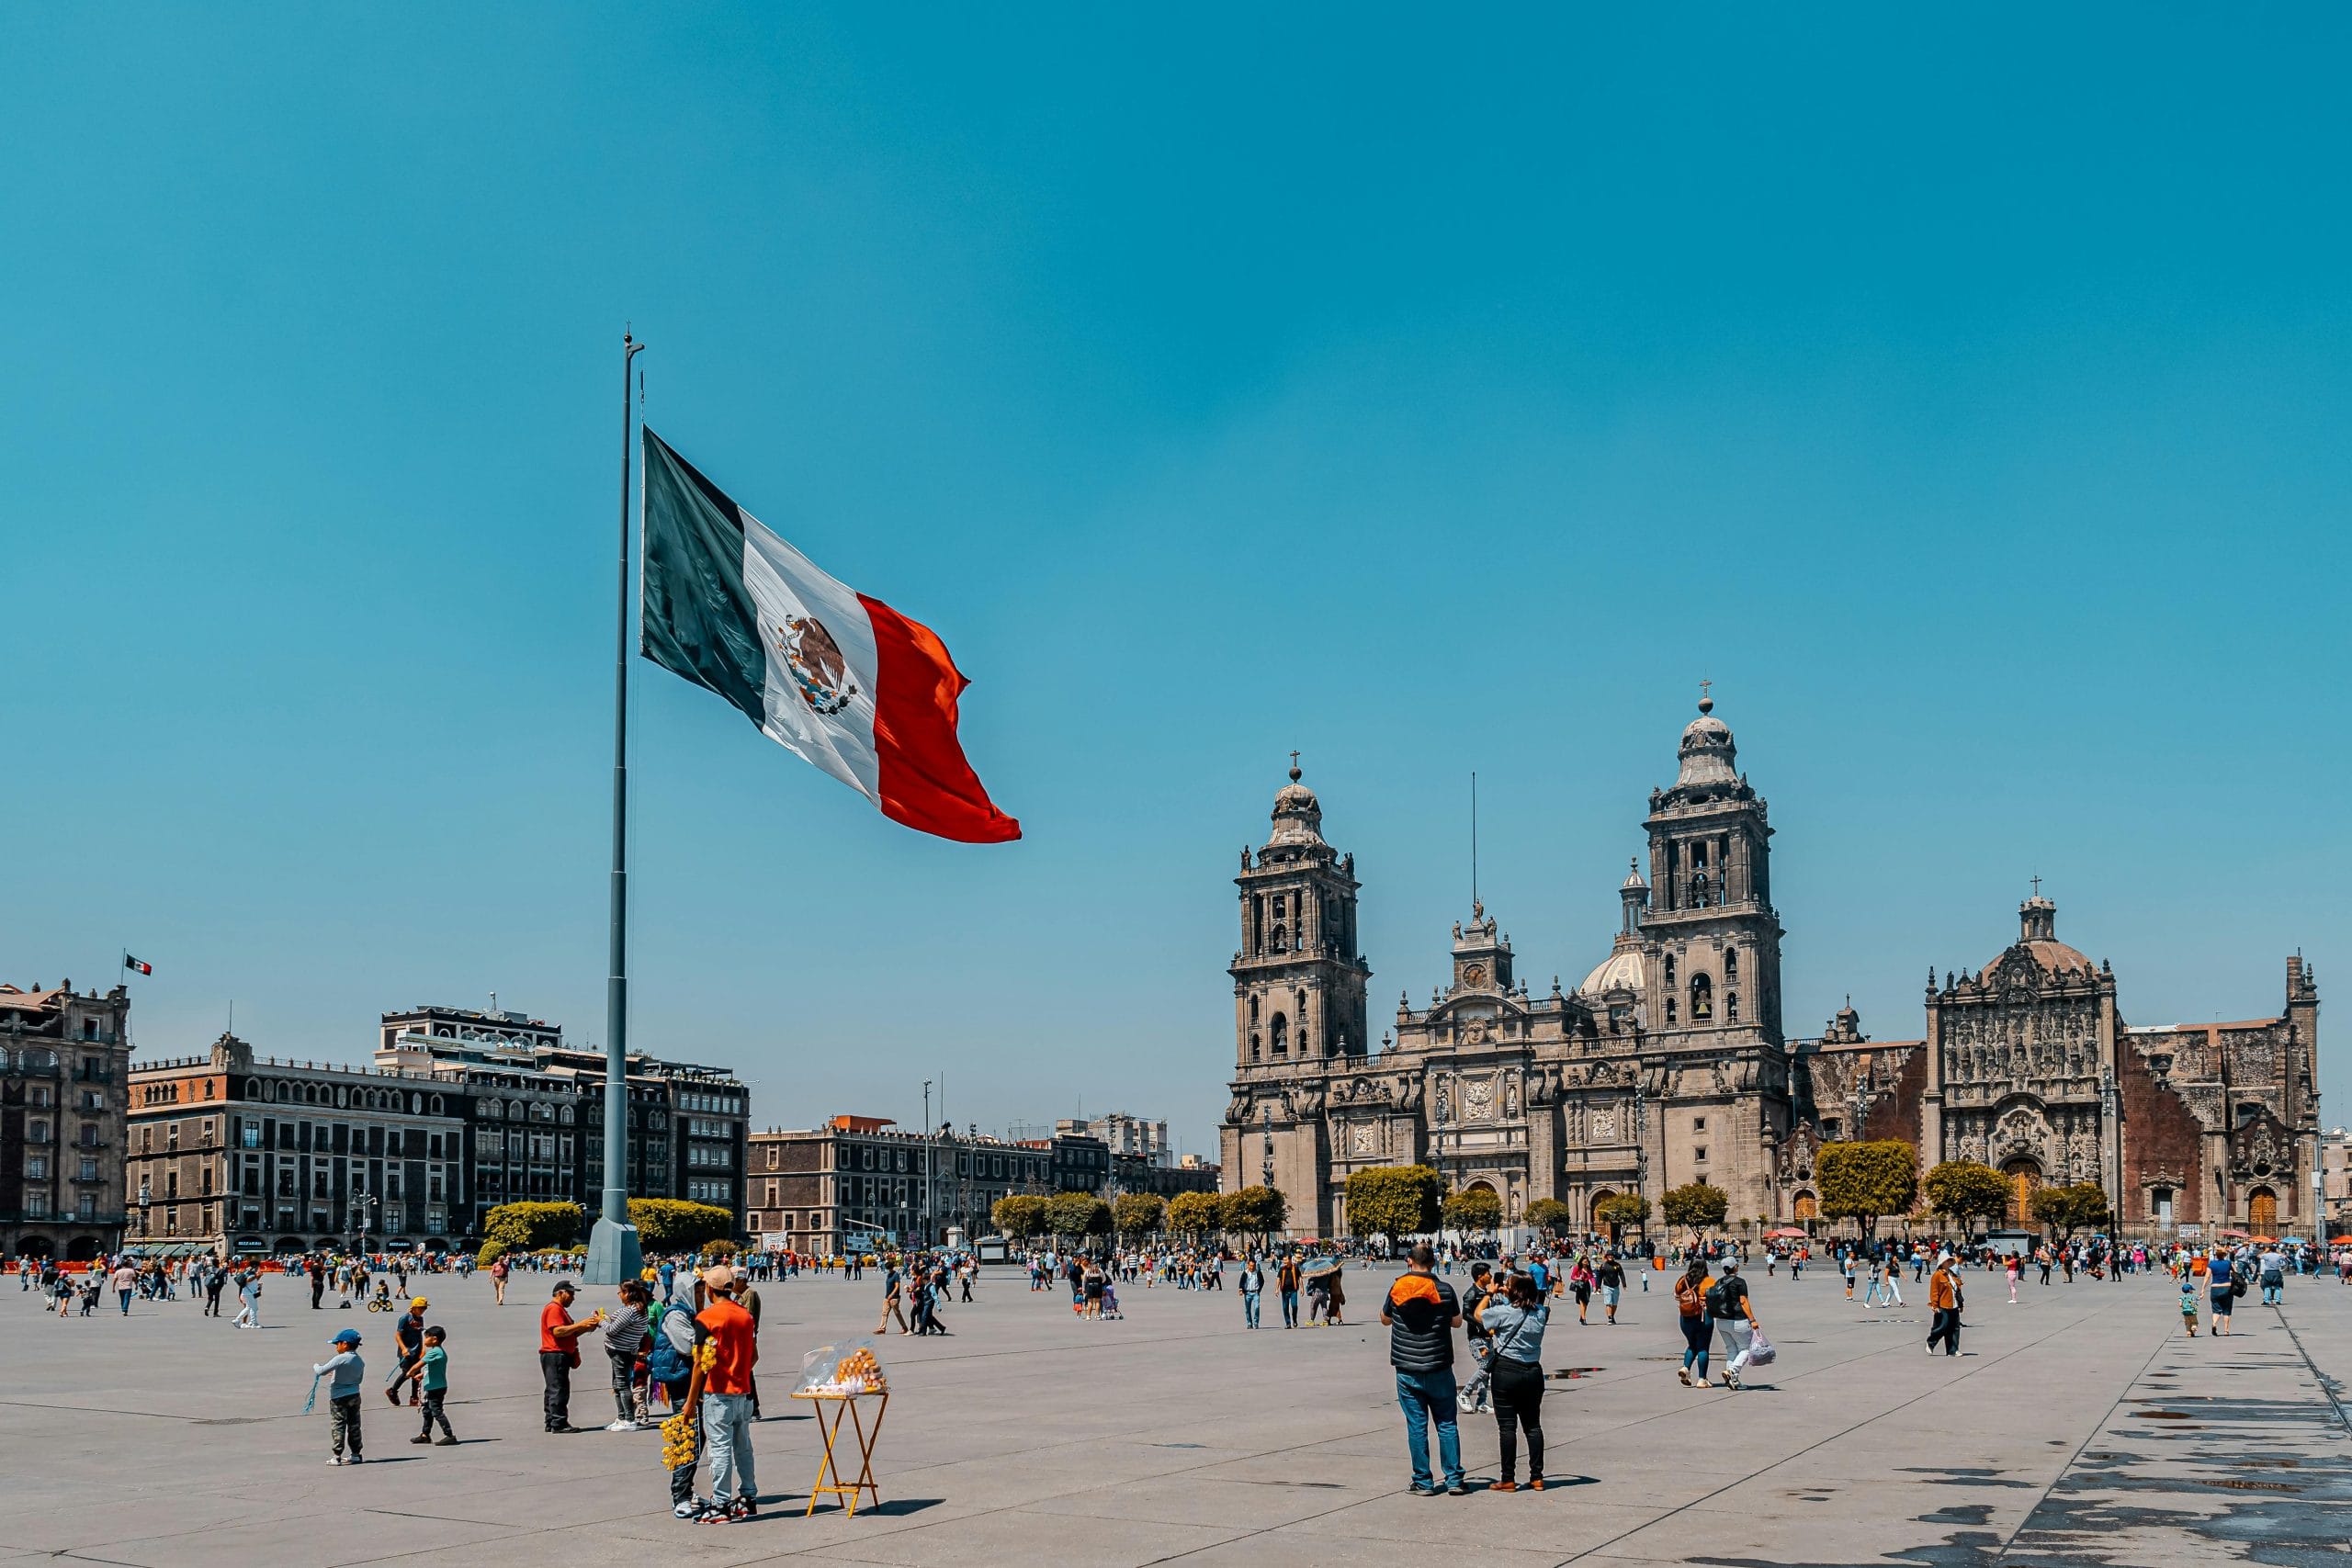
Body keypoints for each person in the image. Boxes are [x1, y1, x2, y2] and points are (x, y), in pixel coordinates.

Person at [1380, 1244, 1465, 1496]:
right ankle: (1454, 1479)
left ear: (1409, 1261)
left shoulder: (1398, 1289)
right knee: (1447, 1424)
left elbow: (1384, 1319)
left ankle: (1424, 1481)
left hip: (1408, 1368)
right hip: (1439, 1365)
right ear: (1434, 1261)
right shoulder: (1445, 1290)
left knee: (1416, 1425)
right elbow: (1458, 1322)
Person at [695, 1266, 760, 1523]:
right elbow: (754, 1355)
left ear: (710, 1288)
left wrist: (691, 1401)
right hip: (743, 1392)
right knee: (743, 1447)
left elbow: (700, 1363)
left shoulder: (707, 1317)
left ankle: (721, 1503)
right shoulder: (745, 1315)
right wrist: (739, 1371)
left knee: (720, 1449)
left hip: (718, 1392)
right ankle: (748, 1497)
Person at [1477, 1271, 1550, 1490]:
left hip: (1506, 1371)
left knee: (1507, 1427)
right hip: (1533, 1371)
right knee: (1533, 1426)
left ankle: (1508, 1478)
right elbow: (1532, 1306)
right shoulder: (1541, 1313)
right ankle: (1537, 1476)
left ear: (1513, 1290)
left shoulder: (1504, 1311)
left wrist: (1490, 1293)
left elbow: (1478, 1314)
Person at [539, 1280, 604, 1433]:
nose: (573, 1298)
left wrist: (587, 1327)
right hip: (555, 1353)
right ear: (561, 1293)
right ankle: (559, 1423)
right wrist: (580, 1324)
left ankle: (551, 1420)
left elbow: (570, 1333)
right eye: (571, 1294)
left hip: (556, 1353)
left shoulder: (559, 1309)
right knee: (558, 1389)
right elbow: (558, 1331)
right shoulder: (554, 1309)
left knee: (553, 1388)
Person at [311, 1327, 367, 1464]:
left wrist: (315, 1365)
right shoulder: (359, 1360)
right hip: (354, 1395)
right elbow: (358, 1379)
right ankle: (356, 1454)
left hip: (338, 1398)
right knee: (354, 1425)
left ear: (345, 1344)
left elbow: (321, 1371)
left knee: (339, 1424)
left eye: (338, 1344)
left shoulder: (341, 1358)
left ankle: (337, 1456)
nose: (336, 1347)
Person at [604, 1281, 652, 1430]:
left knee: (622, 1385)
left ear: (627, 1293)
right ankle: (622, 1417)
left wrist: (600, 1322)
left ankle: (629, 1419)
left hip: (621, 1352)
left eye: (620, 1292)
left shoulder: (630, 1311)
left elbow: (612, 1330)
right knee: (617, 1385)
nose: (619, 1295)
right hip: (625, 1351)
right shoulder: (640, 1310)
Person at [1709, 1261, 1761, 1390]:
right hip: (1738, 1320)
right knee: (1746, 1349)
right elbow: (1743, 1301)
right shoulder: (1739, 1282)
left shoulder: (1719, 1282)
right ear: (1735, 1267)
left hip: (1721, 1320)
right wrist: (1752, 1320)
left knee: (1731, 1349)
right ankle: (1732, 1371)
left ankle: (1733, 1381)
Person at [407, 1325, 457, 1445]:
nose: (425, 1340)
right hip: (433, 1386)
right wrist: (423, 1375)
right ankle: (425, 1435)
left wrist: (410, 1372)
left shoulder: (434, 1352)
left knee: (436, 1411)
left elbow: (419, 1364)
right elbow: (432, 1368)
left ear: (434, 1339)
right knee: (427, 1411)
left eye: (427, 1338)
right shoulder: (436, 1352)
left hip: (436, 1387)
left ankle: (449, 1435)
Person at [1673, 1257, 1713, 1387]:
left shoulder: (1683, 1280)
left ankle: (1686, 1367)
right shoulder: (1709, 1281)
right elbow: (1716, 1298)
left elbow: (1676, 1295)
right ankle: (1702, 1379)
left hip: (1685, 1317)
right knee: (1703, 1347)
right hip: (1703, 1316)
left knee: (1692, 1345)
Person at [387, 1298, 428, 1407]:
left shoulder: (420, 1319)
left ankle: (414, 1398)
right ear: (414, 1308)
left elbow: (420, 1334)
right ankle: (393, 1391)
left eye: (425, 1308)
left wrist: (423, 1348)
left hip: (417, 1351)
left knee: (417, 1373)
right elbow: (397, 1335)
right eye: (421, 1308)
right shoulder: (405, 1318)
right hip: (406, 1352)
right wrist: (404, 1348)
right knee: (406, 1373)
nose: (423, 1310)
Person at [1927, 1256, 1962, 1356]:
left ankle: (1953, 1350)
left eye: (1951, 1261)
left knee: (1955, 1328)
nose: (1949, 1262)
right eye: (1947, 1261)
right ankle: (1931, 1342)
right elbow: (1934, 1291)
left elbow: (1958, 1290)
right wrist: (1935, 1305)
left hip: (1954, 1305)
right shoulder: (1937, 1275)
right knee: (1942, 1326)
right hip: (1943, 1305)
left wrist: (1961, 1304)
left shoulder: (1953, 1274)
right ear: (1942, 1263)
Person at [2207, 1249, 2236, 1336]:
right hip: (2227, 1287)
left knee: (2216, 1309)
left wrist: (2203, 1289)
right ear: (2224, 1255)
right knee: (2226, 1310)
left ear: (2216, 1255)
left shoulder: (2211, 1264)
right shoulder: (2228, 1263)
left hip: (2215, 1287)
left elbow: (2207, 1276)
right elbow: (2236, 1272)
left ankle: (2214, 1323)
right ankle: (2226, 1330)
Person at [1597, 1253, 1625, 1325]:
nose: (1610, 1257)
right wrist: (1598, 1287)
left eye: (1611, 1255)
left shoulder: (1617, 1265)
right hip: (1607, 1286)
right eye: (1608, 1256)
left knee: (1615, 1304)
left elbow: (1621, 1274)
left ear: (1613, 1256)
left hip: (1615, 1286)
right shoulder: (1603, 1266)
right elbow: (1599, 1276)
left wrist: (1624, 1284)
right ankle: (1610, 1318)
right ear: (1606, 1257)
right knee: (1608, 1303)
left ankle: (1612, 1316)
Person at [1278, 1253, 1302, 1329]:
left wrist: (1302, 1288)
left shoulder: (1295, 1268)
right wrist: (1276, 1289)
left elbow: (1299, 1278)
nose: (1284, 1261)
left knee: (1294, 1305)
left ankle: (1294, 1319)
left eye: (1286, 1260)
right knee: (1285, 1307)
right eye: (1283, 1260)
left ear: (1290, 1260)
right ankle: (1288, 1323)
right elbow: (1278, 1278)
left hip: (1293, 1290)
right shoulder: (1282, 1269)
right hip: (1284, 1290)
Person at [1238, 1258, 1264, 1329]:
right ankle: (1249, 1323)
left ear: (1255, 1265)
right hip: (1247, 1293)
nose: (1252, 1267)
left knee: (1257, 1307)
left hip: (1255, 1292)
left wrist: (1259, 1290)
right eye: (1250, 1265)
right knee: (1247, 1309)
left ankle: (1256, 1322)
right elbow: (1241, 1282)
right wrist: (1241, 1290)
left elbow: (1262, 1281)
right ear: (1248, 1265)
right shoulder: (1245, 1273)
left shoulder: (1258, 1272)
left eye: (1253, 1266)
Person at [2178, 1269, 2200, 1337]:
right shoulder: (2193, 1296)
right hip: (2192, 1311)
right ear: (2190, 1290)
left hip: (2185, 1312)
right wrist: (2202, 1295)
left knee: (2187, 1323)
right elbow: (2199, 1298)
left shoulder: (2182, 1297)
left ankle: (2188, 1332)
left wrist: (2182, 1305)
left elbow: (2180, 1304)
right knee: (2194, 1322)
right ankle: (2193, 1329)